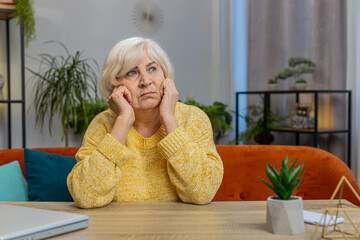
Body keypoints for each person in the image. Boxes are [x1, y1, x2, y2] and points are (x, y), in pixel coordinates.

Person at [67, 37, 224, 209]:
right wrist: (123, 121)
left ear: (165, 75)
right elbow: (85, 196)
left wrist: (169, 119)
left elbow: (203, 192)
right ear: (114, 85)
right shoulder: (103, 124)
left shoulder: (193, 118)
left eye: (152, 69)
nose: (146, 81)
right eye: (131, 73)